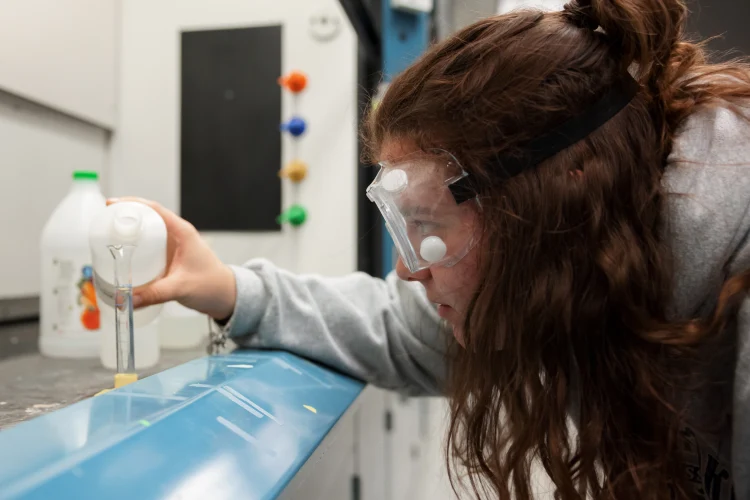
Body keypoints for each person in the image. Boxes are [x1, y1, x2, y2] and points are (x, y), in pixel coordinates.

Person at [112, 0, 750, 498]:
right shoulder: (578, 264)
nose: (407, 267)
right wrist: (228, 289)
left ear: (559, 193)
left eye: (427, 221)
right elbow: (398, 329)